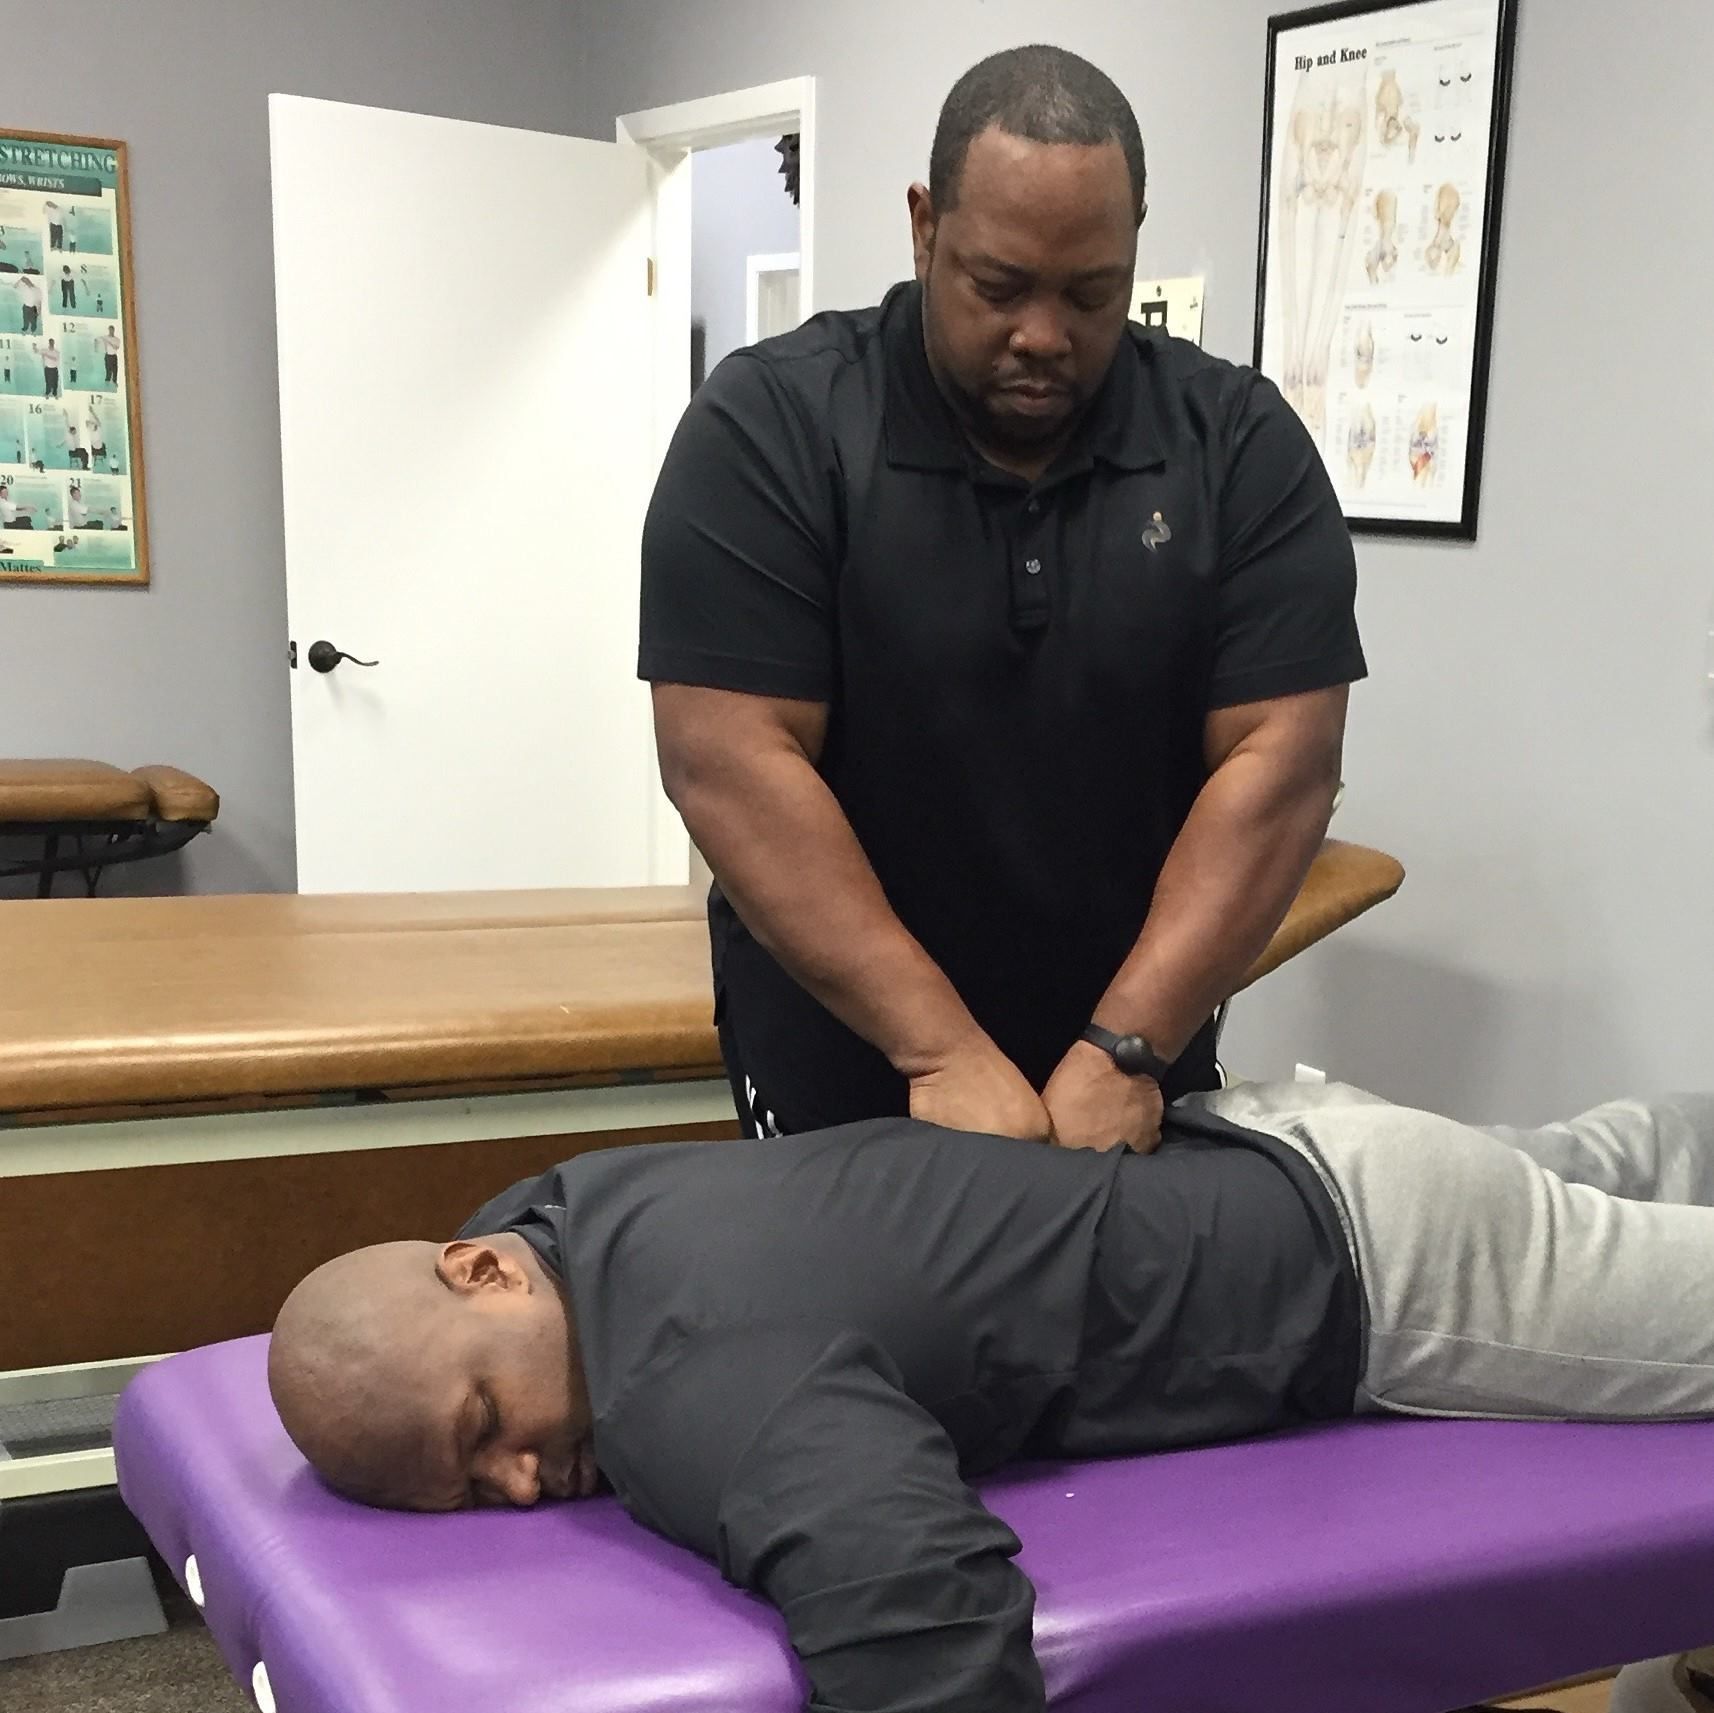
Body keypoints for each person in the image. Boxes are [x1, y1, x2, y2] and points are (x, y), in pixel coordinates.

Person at [271, 1080, 1714, 1713]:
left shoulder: (684, 1378)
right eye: (471, 1490)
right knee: (1636, 1153)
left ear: (478, 1274)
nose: (523, 1480)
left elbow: (933, 1622)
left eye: (484, 1435)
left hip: (1393, 1269)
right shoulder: (583, 1208)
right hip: (1288, 1137)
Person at [639, 45, 1363, 1154]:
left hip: (1136, 1068)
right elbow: (726, 760)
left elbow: (1282, 762)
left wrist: (1125, 1046)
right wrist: (938, 1049)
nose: (1043, 334)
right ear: (925, 226)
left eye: (1091, 293)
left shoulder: (1239, 446)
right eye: (998, 286)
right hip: (851, 1069)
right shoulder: (771, 429)